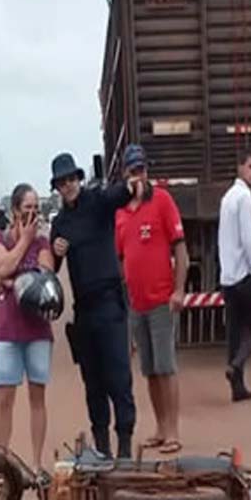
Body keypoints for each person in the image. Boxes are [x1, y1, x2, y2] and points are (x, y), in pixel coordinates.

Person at [49, 152, 143, 458]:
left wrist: (131, 183)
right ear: (58, 188)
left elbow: (118, 194)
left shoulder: (97, 203)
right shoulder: (60, 222)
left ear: (78, 179)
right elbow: (52, 263)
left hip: (110, 306)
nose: (69, 185)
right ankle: (102, 450)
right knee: (94, 384)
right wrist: (56, 248)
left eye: (72, 179)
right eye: (62, 182)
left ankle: (125, 450)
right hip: (84, 311)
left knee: (119, 377)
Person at [115, 145, 188, 452]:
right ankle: (159, 427)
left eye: (142, 170)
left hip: (161, 300)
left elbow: (181, 249)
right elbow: (121, 258)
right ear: (125, 175)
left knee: (165, 366)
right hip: (136, 303)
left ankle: (173, 431)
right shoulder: (119, 212)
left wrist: (179, 289)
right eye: (133, 171)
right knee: (149, 370)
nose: (138, 176)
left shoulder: (162, 201)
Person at [0, 184, 54, 470]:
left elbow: (44, 279)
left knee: (37, 396)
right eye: (27, 208)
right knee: (5, 398)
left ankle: (37, 465)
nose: (33, 214)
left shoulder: (43, 245)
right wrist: (24, 241)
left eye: (36, 208)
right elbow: (2, 267)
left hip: (37, 330)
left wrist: (14, 281)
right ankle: (1, 462)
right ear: (15, 211)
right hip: (8, 330)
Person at [218, 153, 251, 402]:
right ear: (239, 168)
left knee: (234, 333)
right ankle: (236, 366)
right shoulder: (245, 197)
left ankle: (237, 388)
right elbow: (248, 240)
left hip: (227, 276)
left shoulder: (227, 198)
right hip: (243, 275)